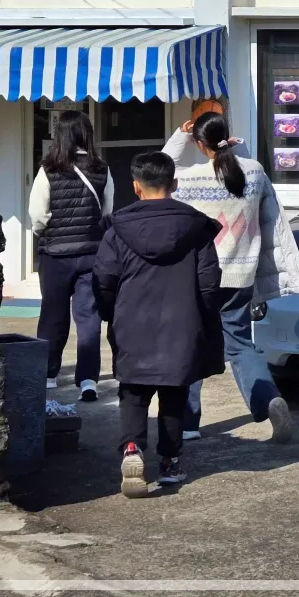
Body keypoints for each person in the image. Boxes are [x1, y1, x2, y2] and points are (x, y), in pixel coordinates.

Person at [162, 111, 299, 443]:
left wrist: (180, 136)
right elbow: (244, 173)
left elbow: (161, 166)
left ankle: (187, 423)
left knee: (193, 346)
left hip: (199, 278)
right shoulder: (254, 172)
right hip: (241, 276)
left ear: (200, 144)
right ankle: (269, 400)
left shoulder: (189, 179)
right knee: (242, 347)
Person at [93, 151, 225, 498]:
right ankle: (169, 461)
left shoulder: (118, 229)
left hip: (132, 321)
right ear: (175, 184)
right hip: (182, 323)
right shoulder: (196, 227)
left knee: (133, 393)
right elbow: (209, 282)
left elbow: (104, 279)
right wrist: (205, 316)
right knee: (174, 393)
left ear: (136, 187)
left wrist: (111, 312)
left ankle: (133, 451)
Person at [29, 110, 112, 401]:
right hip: (92, 252)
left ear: (60, 135)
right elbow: (107, 211)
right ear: (86, 133)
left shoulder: (48, 169)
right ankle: (88, 379)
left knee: (53, 315)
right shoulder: (101, 168)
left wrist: (50, 231)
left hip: (55, 255)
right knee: (89, 317)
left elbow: (37, 216)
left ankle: (49, 374)